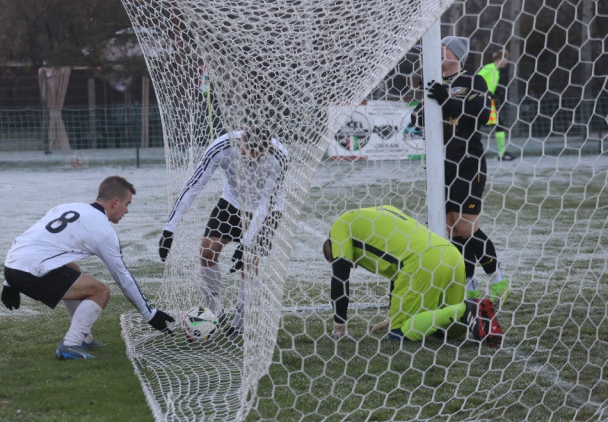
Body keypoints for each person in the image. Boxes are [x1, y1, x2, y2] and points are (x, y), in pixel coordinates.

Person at [1, 175, 174, 360]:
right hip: (32, 270)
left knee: (73, 271)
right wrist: (151, 315)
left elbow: (30, 239)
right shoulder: (103, 230)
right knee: (100, 291)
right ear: (115, 202)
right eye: (127, 204)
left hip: (12, 266)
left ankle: (85, 338)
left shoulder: (68, 207)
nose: (127, 211)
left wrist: (9, 282)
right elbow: (123, 278)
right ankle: (71, 344)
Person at [157, 128, 289, 331]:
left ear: (267, 147)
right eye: (248, 150)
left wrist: (247, 243)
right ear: (241, 141)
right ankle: (215, 310)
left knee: (249, 260)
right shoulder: (221, 147)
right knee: (207, 250)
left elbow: (265, 204)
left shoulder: (279, 157)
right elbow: (193, 186)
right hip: (233, 202)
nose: (251, 157)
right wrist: (169, 228)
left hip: (267, 210)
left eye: (257, 153)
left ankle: (241, 321)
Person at [323, 205, 501, 346]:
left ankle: (466, 309)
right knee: (446, 332)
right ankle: (475, 313)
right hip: (452, 254)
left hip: (424, 262)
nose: (354, 265)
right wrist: (393, 315)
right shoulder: (382, 212)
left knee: (398, 334)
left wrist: (339, 326)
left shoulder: (340, 226)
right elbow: (398, 272)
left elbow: (340, 278)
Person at [426, 36, 510, 303]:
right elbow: (419, 120)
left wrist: (445, 102)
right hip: (442, 166)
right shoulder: (437, 85)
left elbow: (482, 115)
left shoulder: (474, 81)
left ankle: (498, 281)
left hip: (467, 162)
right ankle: (469, 286)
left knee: (466, 227)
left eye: (443, 48)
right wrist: (425, 107)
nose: (438, 52)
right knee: (449, 229)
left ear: (456, 54)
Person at [478, 46, 515, 161]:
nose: (507, 62)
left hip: (489, 101)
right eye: (506, 59)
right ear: (499, 59)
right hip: (482, 101)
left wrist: (497, 92)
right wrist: (485, 92)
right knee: (497, 125)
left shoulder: (496, 71)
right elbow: (477, 78)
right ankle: (501, 154)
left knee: (498, 125)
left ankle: (502, 153)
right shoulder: (489, 68)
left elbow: (490, 85)